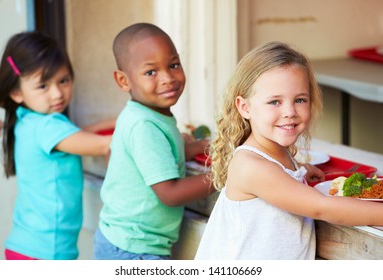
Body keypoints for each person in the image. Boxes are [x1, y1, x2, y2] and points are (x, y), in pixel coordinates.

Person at [194, 41, 383, 260]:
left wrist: (299, 171)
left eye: (300, 100)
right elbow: (321, 207)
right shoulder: (250, 166)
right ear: (245, 107)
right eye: (275, 102)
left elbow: (276, 180)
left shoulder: (276, 155)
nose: (290, 112)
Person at [93, 23, 214, 260]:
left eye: (173, 65)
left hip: (123, 241)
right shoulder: (144, 126)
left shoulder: (145, 114)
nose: (168, 78)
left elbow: (163, 153)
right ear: (123, 80)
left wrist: (199, 147)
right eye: (151, 72)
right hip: (134, 250)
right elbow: (171, 193)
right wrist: (227, 174)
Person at [0, 31, 114, 260]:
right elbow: (102, 146)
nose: (58, 93)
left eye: (63, 80)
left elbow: (74, 137)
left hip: (25, 248)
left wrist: (112, 122)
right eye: (43, 86)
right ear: (17, 92)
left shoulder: (26, 118)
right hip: (46, 254)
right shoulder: (48, 126)